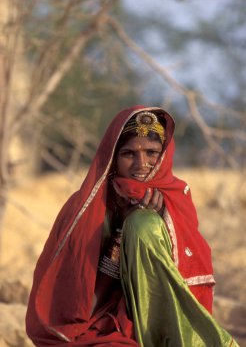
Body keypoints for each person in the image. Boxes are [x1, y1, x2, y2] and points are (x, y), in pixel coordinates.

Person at [26, 105, 238, 346]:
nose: (141, 164)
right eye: (129, 154)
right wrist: (120, 232)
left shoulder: (175, 197)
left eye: (152, 152)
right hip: (103, 318)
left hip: (172, 322)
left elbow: (188, 278)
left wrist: (159, 223)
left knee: (143, 223)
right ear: (113, 157)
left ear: (164, 154)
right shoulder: (88, 205)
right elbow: (80, 301)